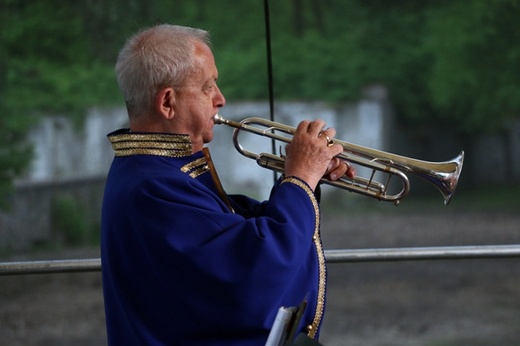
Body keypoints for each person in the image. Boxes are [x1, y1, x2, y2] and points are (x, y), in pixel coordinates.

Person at [101, 24, 355, 346]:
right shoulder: (150, 185)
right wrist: (300, 178)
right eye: (208, 87)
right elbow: (252, 268)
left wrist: (306, 178)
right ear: (168, 103)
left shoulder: (153, 170)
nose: (221, 99)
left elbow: (236, 227)